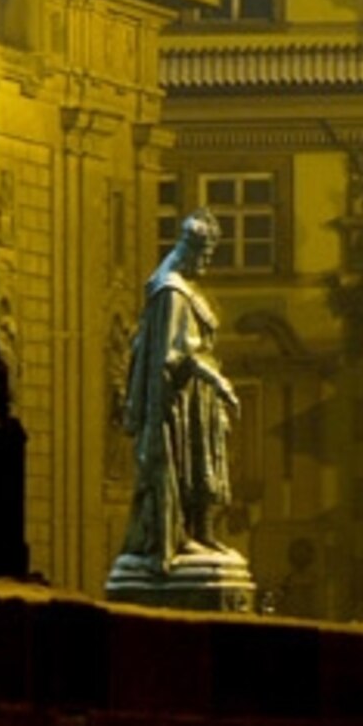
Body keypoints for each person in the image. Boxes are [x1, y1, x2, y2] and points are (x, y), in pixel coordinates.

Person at [117, 210, 240, 568]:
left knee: (202, 466)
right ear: (188, 250)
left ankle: (200, 534)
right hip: (177, 402)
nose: (206, 263)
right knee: (186, 465)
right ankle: (181, 537)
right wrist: (218, 381)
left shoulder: (181, 289)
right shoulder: (171, 291)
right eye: (203, 255)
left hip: (193, 400)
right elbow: (174, 354)